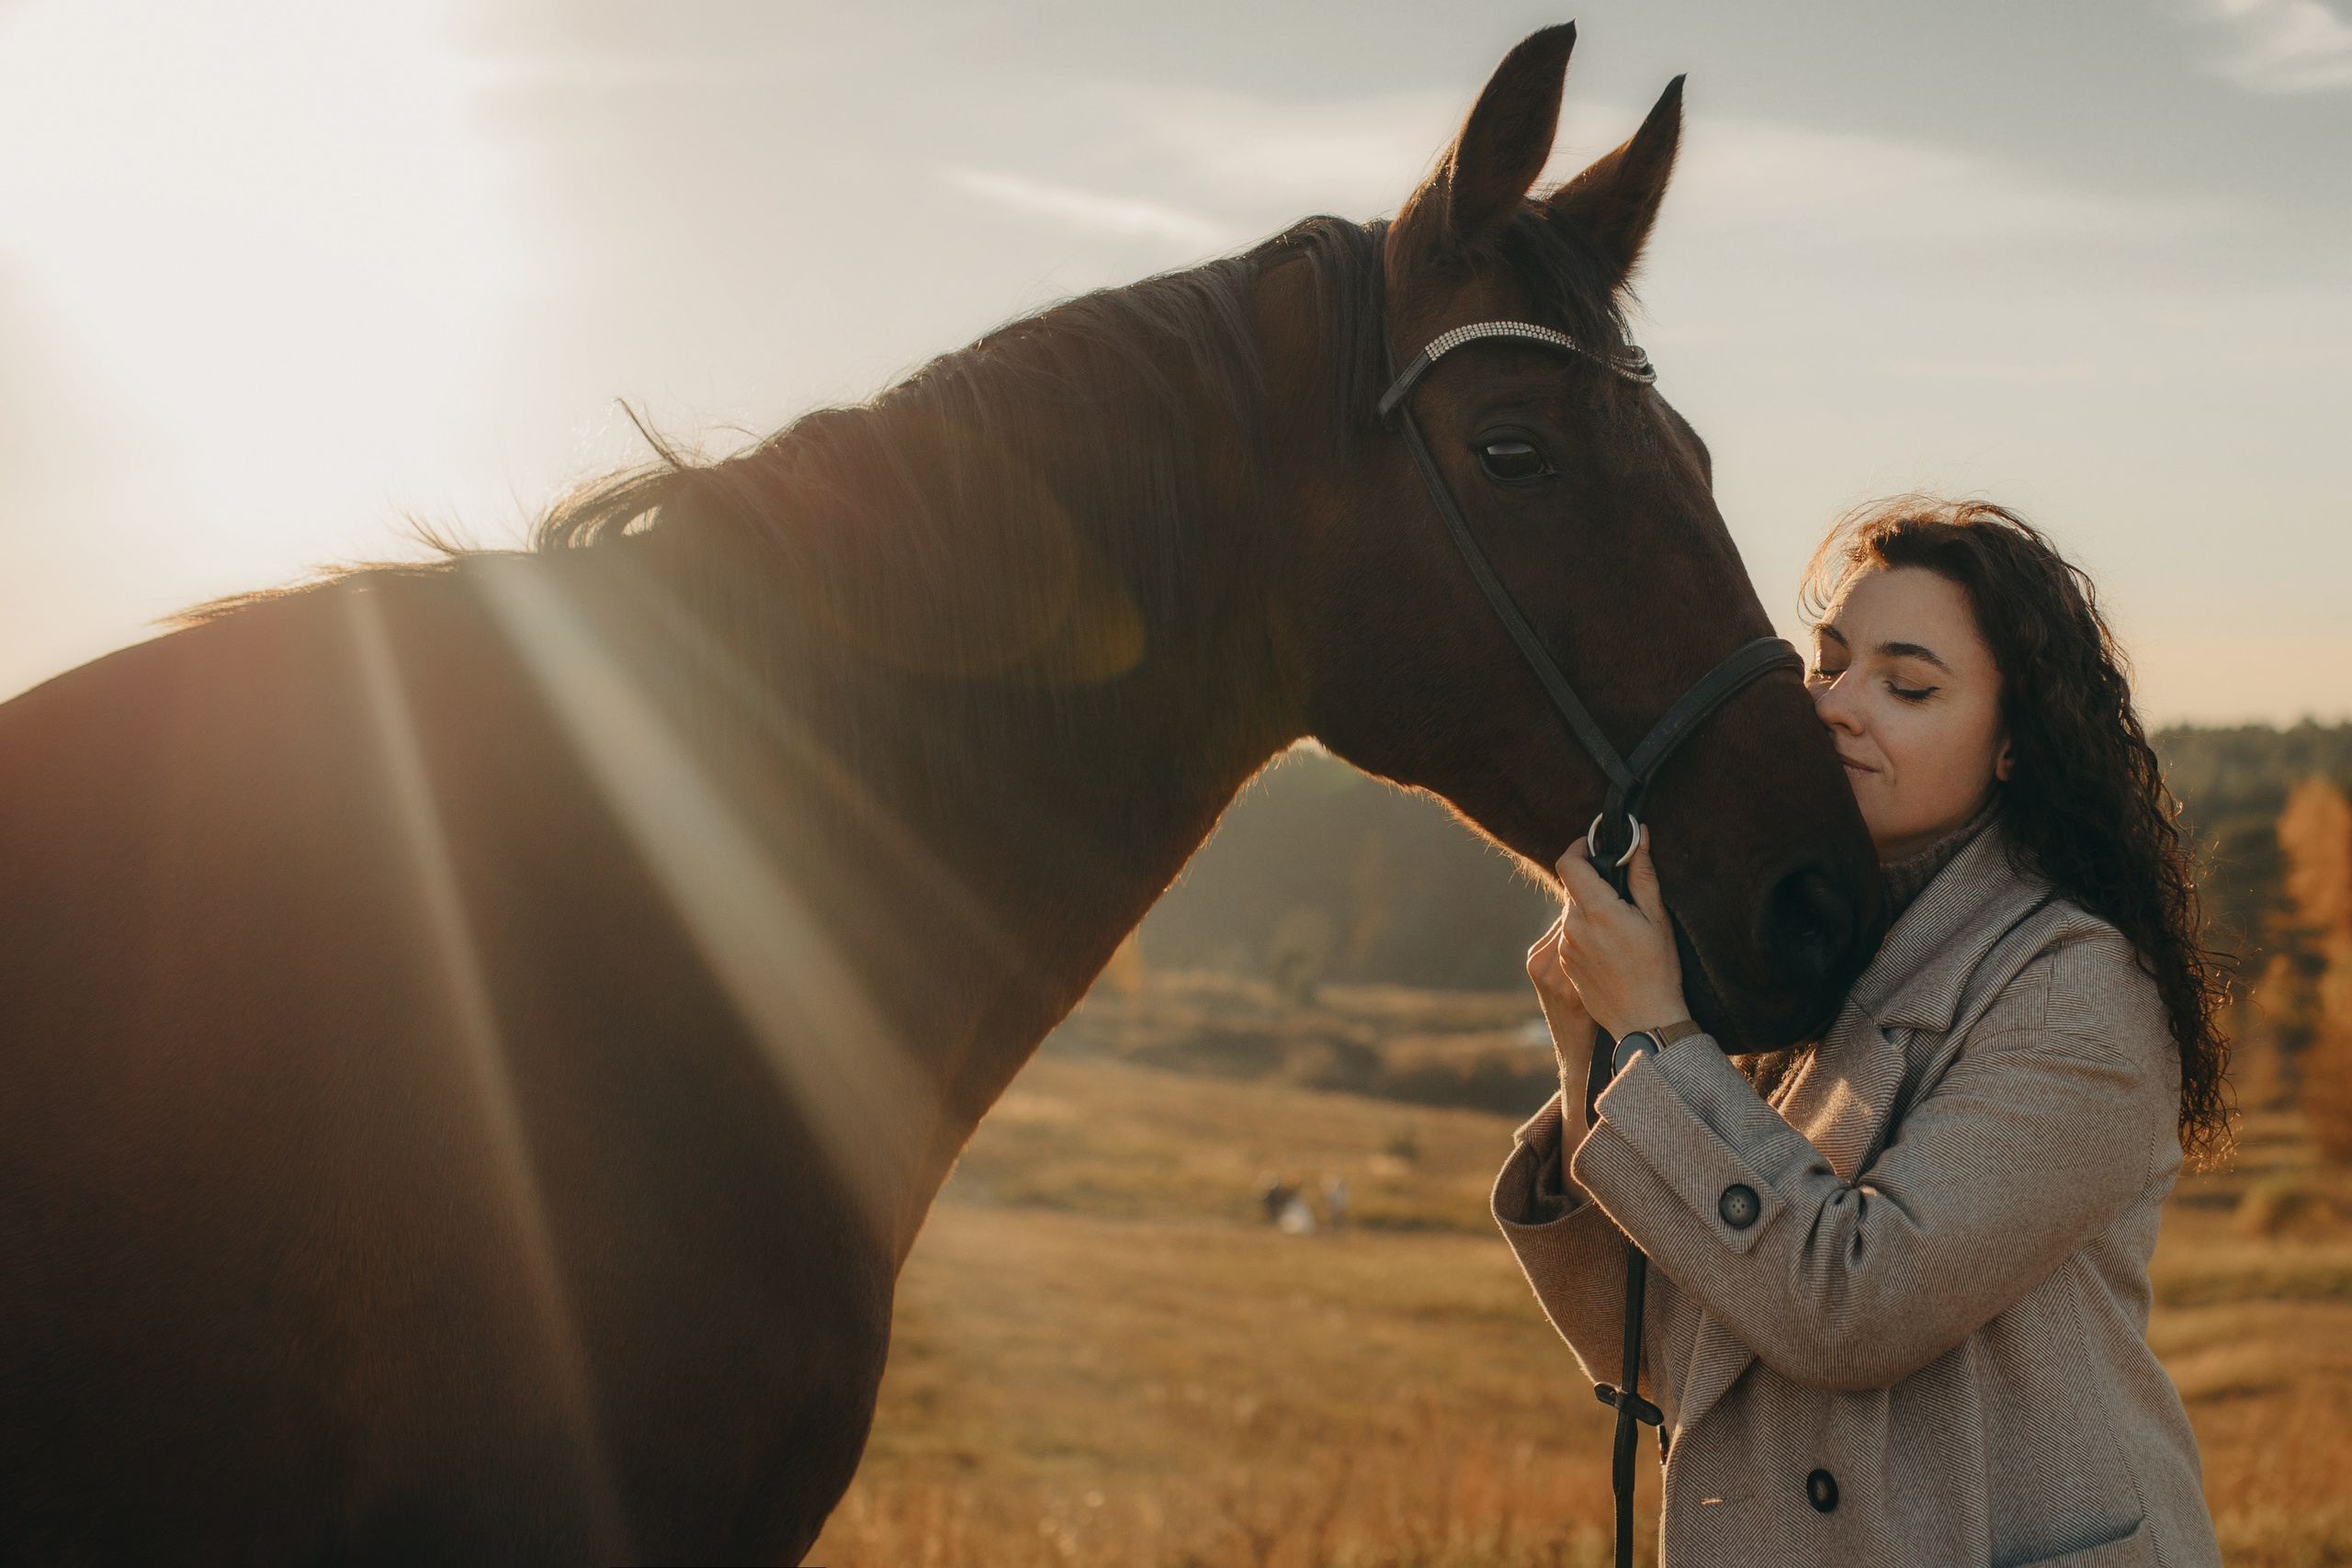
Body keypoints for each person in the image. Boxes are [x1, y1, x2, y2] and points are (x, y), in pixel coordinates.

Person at [1498, 499, 2229, 1567]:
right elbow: (1660, 1353)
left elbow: (1857, 1309)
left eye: (1907, 684)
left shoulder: (2075, 985)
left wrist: (1656, 1029)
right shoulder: (1796, 960)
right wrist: (1590, 1048)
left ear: (2016, 741)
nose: (1836, 705)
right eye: (1828, 665)